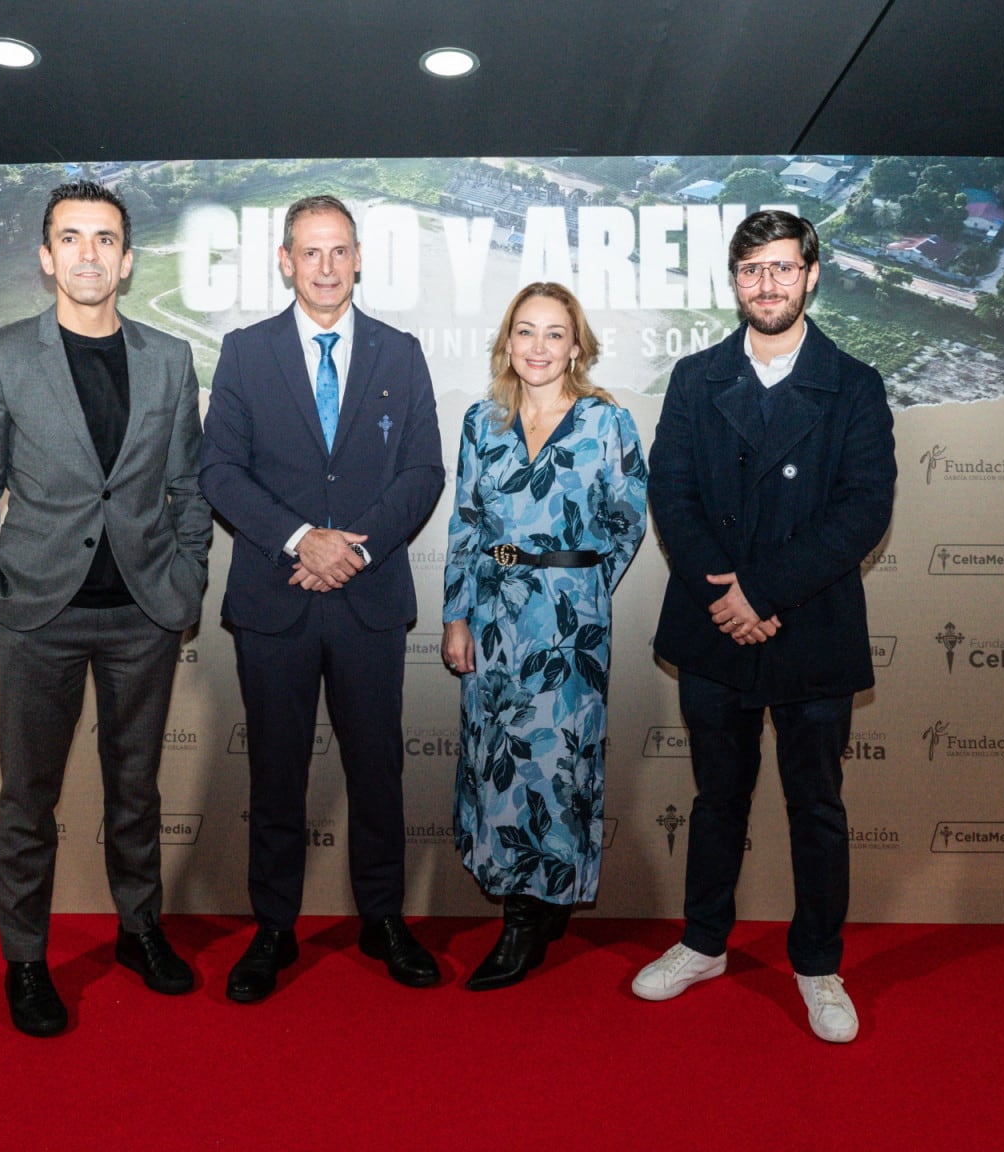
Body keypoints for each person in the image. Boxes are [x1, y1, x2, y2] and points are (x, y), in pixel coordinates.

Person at [0, 179, 213, 1037]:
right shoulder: (0, 355)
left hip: (143, 611)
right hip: (40, 614)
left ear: (127, 261)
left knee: (135, 790)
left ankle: (140, 932)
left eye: (105, 240)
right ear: (46, 256)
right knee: (29, 798)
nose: (89, 254)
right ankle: (26, 961)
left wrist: (187, 580)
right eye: (72, 238)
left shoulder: (170, 359)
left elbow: (189, 488)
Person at [634, 210, 895, 1044]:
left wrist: (763, 591)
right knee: (717, 801)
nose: (768, 285)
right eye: (753, 271)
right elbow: (670, 492)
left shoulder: (853, 383)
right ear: (735, 279)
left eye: (783, 269)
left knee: (816, 805)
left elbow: (865, 510)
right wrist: (728, 593)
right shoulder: (695, 376)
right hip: (715, 625)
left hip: (809, 624)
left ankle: (819, 965)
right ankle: (704, 942)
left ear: (812, 274)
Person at [201, 194, 446, 1003]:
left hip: (369, 598)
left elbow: (422, 473)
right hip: (276, 597)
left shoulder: (400, 353)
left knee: (377, 767)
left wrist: (355, 549)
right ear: (285, 260)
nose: (328, 267)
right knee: (276, 774)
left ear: (359, 258)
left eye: (340, 251)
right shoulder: (245, 352)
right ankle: (274, 926)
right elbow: (219, 472)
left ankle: (383, 919)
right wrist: (302, 539)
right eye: (311, 252)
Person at [441, 283, 647, 990]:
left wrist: (577, 587)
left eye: (554, 334)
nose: (537, 347)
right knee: (500, 762)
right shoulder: (480, 423)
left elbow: (628, 524)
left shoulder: (605, 424)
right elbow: (466, 524)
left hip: (568, 629)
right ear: (506, 344)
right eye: (524, 332)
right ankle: (529, 902)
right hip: (493, 619)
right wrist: (456, 615)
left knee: (557, 766)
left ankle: (530, 915)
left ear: (577, 347)